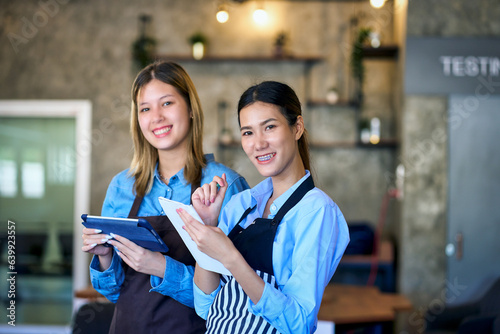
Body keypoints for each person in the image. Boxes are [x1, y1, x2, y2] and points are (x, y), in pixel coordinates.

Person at [81, 61, 249, 334]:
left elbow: (237, 296)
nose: (156, 116)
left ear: (191, 109)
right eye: (145, 108)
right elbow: (114, 293)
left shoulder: (225, 186)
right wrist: (104, 257)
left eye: (167, 103)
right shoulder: (121, 187)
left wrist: (161, 267)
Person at [178, 80, 350, 333]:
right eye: (248, 132)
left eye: (269, 127)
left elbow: (298, 323)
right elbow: (207, 306)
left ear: (297, 127)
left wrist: (230, 257)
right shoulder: (241, 204)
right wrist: (209, 225)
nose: (258, 144)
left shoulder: (317, 211)